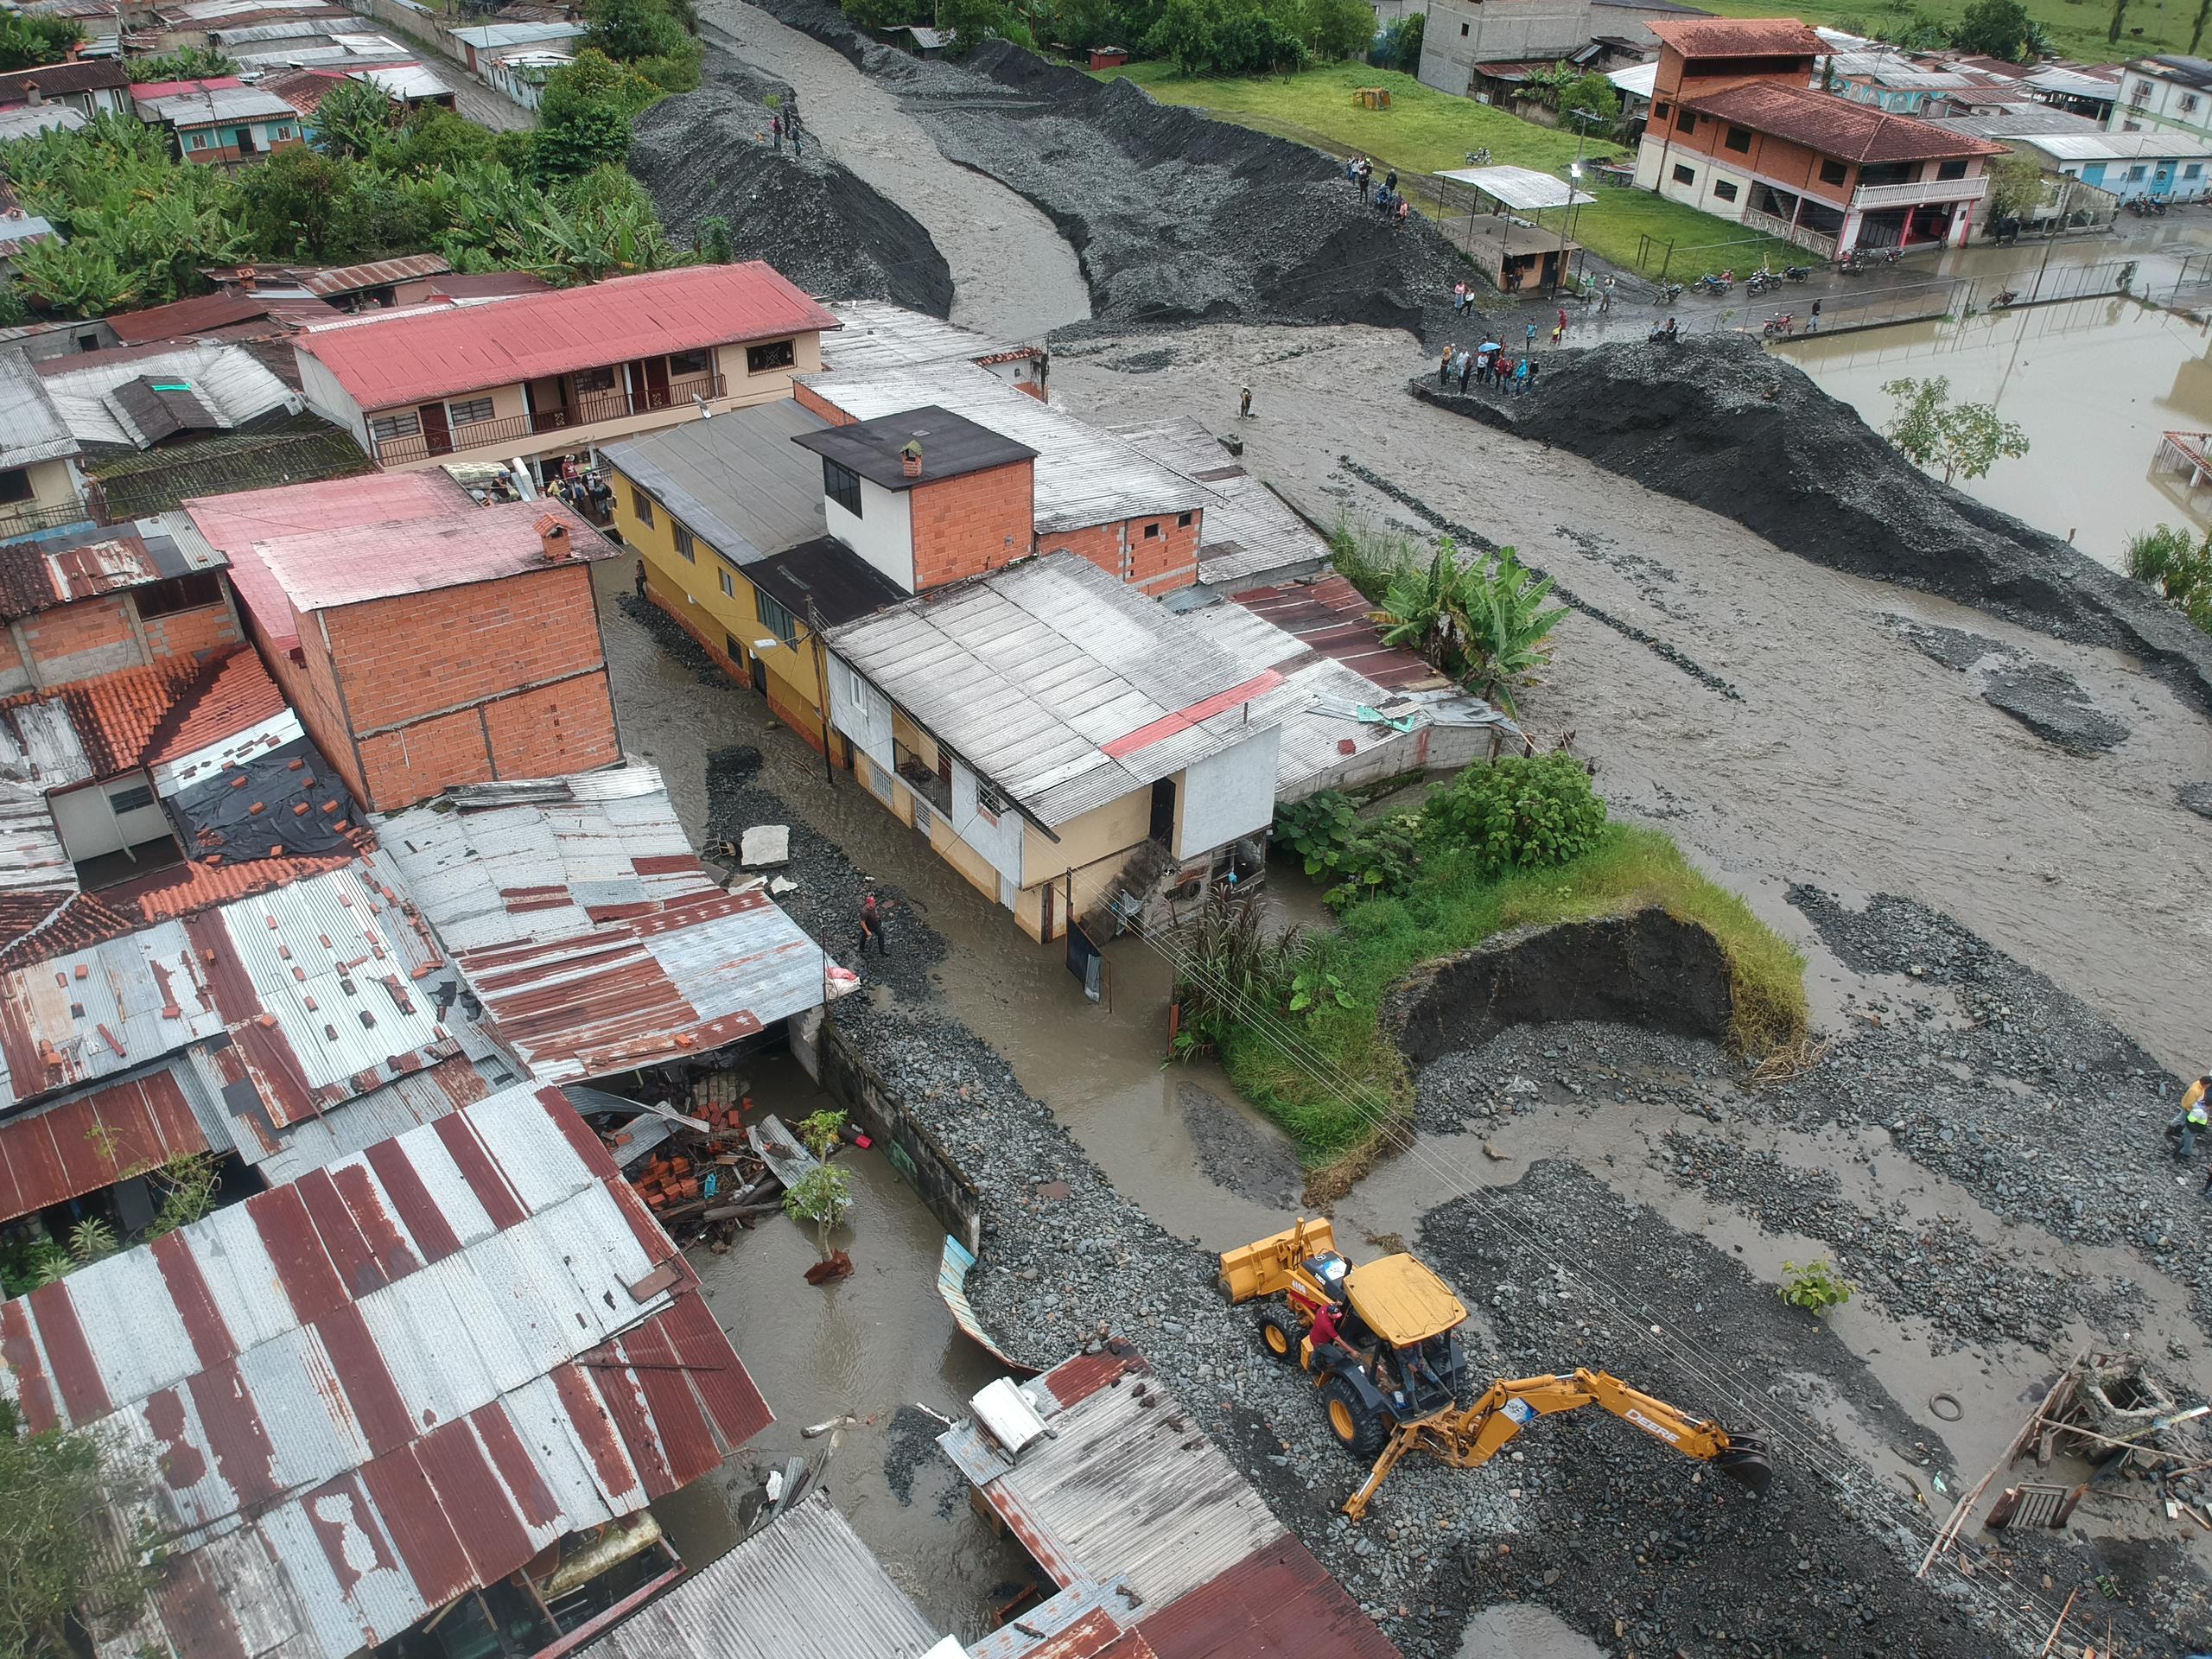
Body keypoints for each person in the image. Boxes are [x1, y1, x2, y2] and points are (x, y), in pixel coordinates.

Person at [2170, 1076, 2211, 1160]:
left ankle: (2179, 1153)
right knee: (2188, 1140)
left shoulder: (2198, 1088)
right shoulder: (2196, 1093)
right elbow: (2191, 1118)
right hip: (2194, 1127)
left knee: (2185, 1139)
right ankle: (2182, 1154)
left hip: (2193, 1125)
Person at [858, 892, 887, 957]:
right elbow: (862, 923)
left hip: (876, 925)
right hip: (868, 926)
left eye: (874, 902)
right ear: (868, 904)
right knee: (864, 937)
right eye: (872, 903)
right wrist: (867, 931)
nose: (874, 904)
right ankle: (861, 949)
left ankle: (882, 951)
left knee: (881, 935)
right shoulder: (865, 912)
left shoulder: (873, 906)